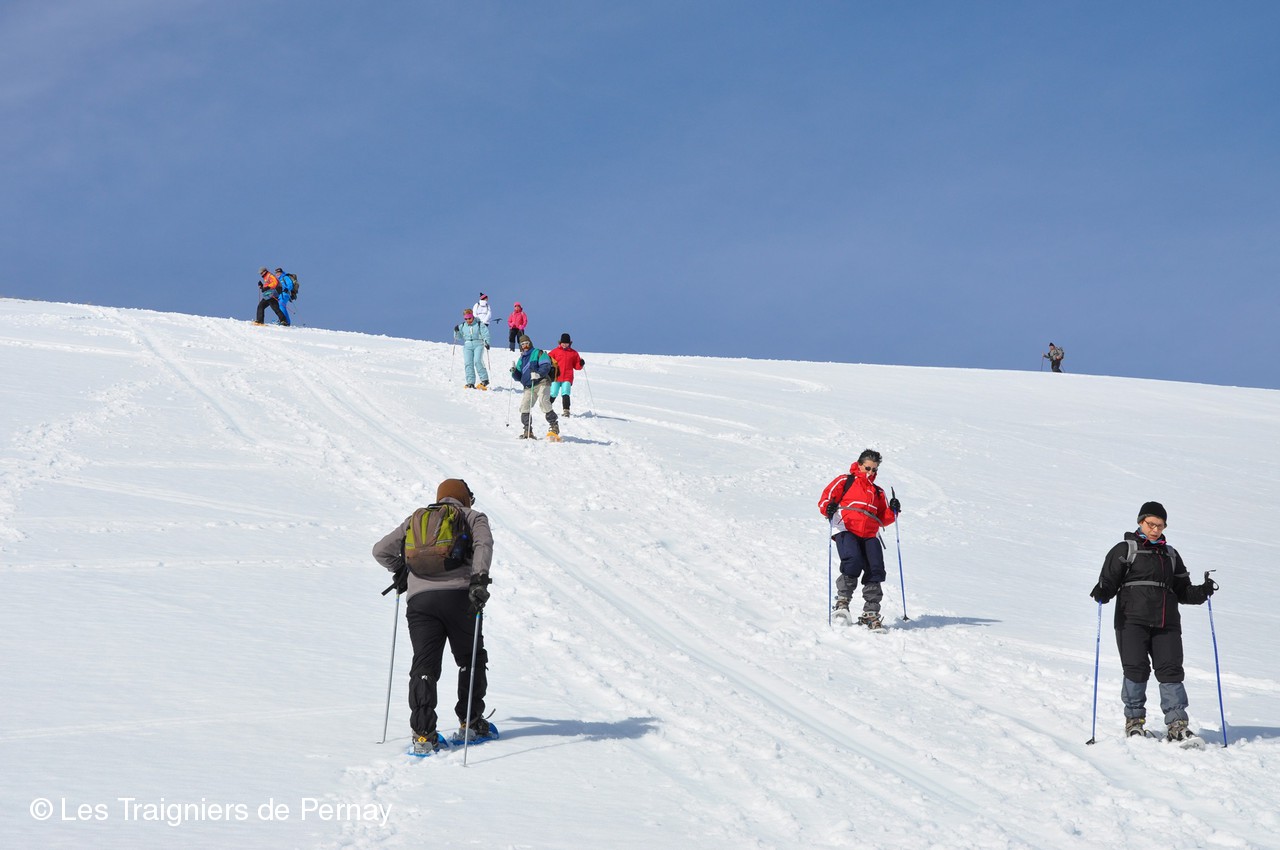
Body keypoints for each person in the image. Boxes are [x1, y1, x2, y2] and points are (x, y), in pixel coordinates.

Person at [373, 479, 495, 754]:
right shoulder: (472, 517)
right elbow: (484, 544)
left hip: (420, 603)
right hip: (459, 598)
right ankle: (471, 723)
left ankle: (423, 735)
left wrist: (402, 571)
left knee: (424, 665)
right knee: (470, 659)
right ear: (465, 497)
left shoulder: (416, 519)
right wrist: (479, 580)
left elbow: (380, 551)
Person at [1090, 501, 1216, 743]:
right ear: (1141, 522)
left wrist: (1202, 592)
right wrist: (1103, 591)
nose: (1155, 529)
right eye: (1151, 524)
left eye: (1160, 525)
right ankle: (1134, 722)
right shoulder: (1125, 549)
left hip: (1166, 623)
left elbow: (1183, 591)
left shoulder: (1171, 555)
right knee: (1136, 669)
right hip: (1131, 621)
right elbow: (1109, 581)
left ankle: (1177, 725)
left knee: (1171, 671)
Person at [817, 449, 899, 629]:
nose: (870, 472)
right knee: (853, 560)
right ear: (859, 465)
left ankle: (871, 613)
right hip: (846, 528)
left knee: (875, 568)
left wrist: (893, 511)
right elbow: (825, 499)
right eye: (867, 468)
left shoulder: (878, 491)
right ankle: (842, 603)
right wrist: (828, 507)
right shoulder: (845, 481)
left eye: (874, 469)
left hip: (870, 533)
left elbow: (883, 518)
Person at [509, 335, 559, 440]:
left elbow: (546, 365)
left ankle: (554, 426)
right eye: (523, 344)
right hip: (529, 386)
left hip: (542, 382)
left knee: (543, 402)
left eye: (526, 343)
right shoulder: (521, 358)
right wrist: (514, 372)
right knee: (524, 407)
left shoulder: (538, 353)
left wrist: (538, 374)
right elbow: (519, 377)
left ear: (530, 343)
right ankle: (528, 430)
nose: (525, 346)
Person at [547, 333, 585, 417]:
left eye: (566, 343)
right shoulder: (555, 351)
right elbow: (547, 359)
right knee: (553, 392)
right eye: (563, 343)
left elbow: (577, 366)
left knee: (565, 393)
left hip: (567, 377)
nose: (564, 345)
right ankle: (547, 408)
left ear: (569, 343)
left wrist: (580, 363)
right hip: (556, 376)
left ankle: (566, 411)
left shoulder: (574, 353)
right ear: (560, 342)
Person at [453, 308, 491, 389]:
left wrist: (487, 342)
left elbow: (485, 333)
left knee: (477, 361)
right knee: (468, 363)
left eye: (469, 318)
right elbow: (458, 337)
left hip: (478, 344)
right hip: (467, 345)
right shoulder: (463, 326)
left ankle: (484, 380)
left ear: (472, 316)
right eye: (466, 319)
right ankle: (470, 383)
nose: (468, 320)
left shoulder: (479, 324)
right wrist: (456, 331)